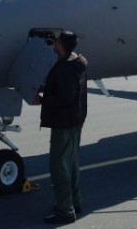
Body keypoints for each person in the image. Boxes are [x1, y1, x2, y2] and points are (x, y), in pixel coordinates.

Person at [34, 31, 88, 225]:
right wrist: (45, 88)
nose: (53, 43)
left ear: (61, 45)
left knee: (59, 166)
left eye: (55, 41)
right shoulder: (78, 61)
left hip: (64, 122)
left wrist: (42, 100)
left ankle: (65, 211)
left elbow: (66, 97)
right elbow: (68, 90)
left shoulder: (64, 67)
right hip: (76, 119)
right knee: (71, 162)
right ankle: (75, 202)